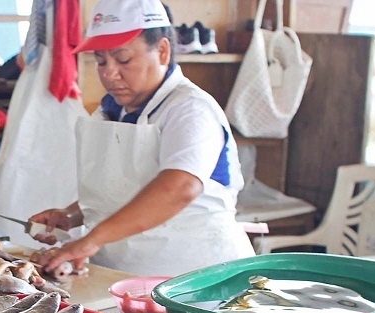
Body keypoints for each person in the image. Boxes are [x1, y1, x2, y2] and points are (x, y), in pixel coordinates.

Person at [29, 0, 255, 277]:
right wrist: (70, 216)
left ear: (162, 51)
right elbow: (120, 187)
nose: (109, 73)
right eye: (100, 61)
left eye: (123, 59)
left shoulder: (190, 108)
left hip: (196, 277)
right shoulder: (110, 110)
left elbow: (179, 187)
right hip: (121, 275)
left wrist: (92, 240)